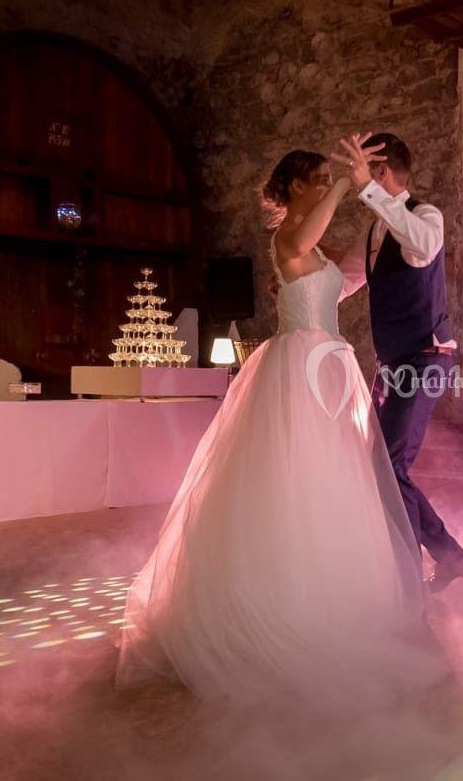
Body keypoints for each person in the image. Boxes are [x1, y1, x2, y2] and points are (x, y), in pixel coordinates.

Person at [118, 149, 440, 709]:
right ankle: (283, 606)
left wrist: (374, 200)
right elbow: (305, 245)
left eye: (323, 179)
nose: (322, 188)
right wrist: (344, 184)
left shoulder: (313, 245)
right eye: (313, 181)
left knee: (335, 486)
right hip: (298, 373)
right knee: (294, 484)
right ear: (292, 188)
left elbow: (355, 273)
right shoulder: (288, 239)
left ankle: (334, 599)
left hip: (330, 369)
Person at [331, 133, 463, 593]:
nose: (361, 182)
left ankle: (437, 560)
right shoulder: (376, 230)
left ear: (381, 171)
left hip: (426, 357)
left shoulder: (425, 217)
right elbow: (344, 281)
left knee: (390, 466)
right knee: (380, 466)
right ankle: (448, 557)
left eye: (366, 171)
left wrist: (369, 193)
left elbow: (421, 249)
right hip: (393, 363)